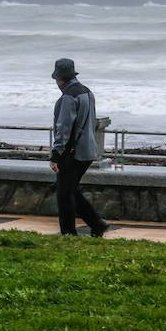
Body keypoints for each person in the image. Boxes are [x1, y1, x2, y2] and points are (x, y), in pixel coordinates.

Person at [49, 58, 110, 237]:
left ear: (60, 79)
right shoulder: (87, 92)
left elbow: (64, 129)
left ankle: (69, 233)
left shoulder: (68, 97)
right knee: (70, 189)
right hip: (89, 149)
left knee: (63, 194)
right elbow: (91, 122)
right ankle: (97, 223)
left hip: (71, 152)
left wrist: (55, 155)